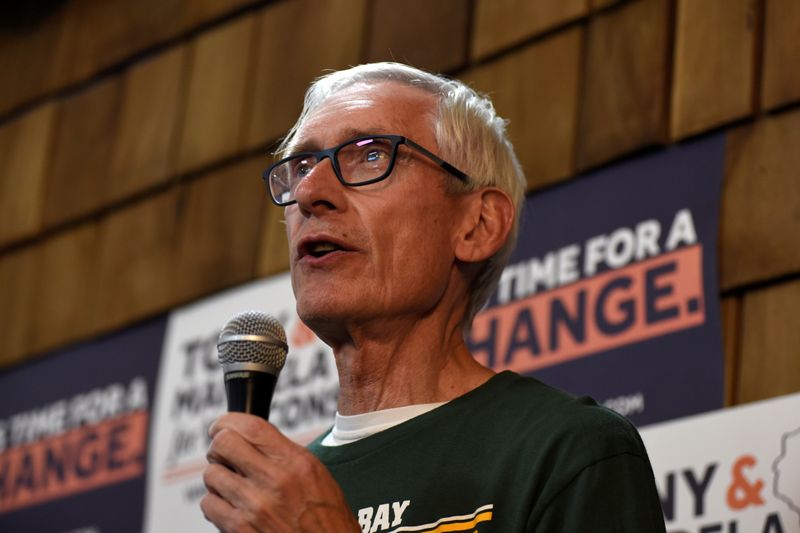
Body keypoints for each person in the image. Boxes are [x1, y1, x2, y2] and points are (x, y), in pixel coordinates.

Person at [201, 62, 667, 532]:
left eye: (370, 154)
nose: (309, 192)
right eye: (301, 166)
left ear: (477, 225)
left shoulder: (568, 452)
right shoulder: (272, 504)